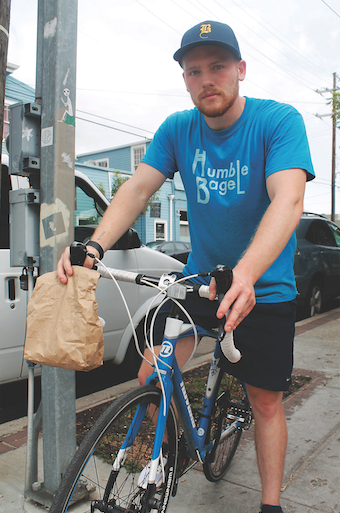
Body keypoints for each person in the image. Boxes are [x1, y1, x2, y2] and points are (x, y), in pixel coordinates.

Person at [57, 20, 314, 512]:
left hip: (264, 289)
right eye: (193, 71)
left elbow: (290, 197)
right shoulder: (178, 129)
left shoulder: (277, 122)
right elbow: (136, 189)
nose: (206, 79)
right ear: (185, 79)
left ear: (240, 70)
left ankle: (271, 504)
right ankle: (168, 454)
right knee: (152, 373)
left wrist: (246, 273)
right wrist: (94, 248)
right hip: (199, 285)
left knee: (264, 402)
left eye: (217, 67)